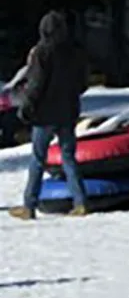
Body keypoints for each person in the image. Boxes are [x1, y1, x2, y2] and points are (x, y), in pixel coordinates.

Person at [12, 12, 90, 220]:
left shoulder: (42, 52)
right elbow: (83, 83)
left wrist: (26, 107)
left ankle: (29, 205)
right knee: (68, 157)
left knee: (38, 159)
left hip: (44, 115)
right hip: (68, 112)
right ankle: (80, 202)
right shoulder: (75, 52)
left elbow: (36, 84)